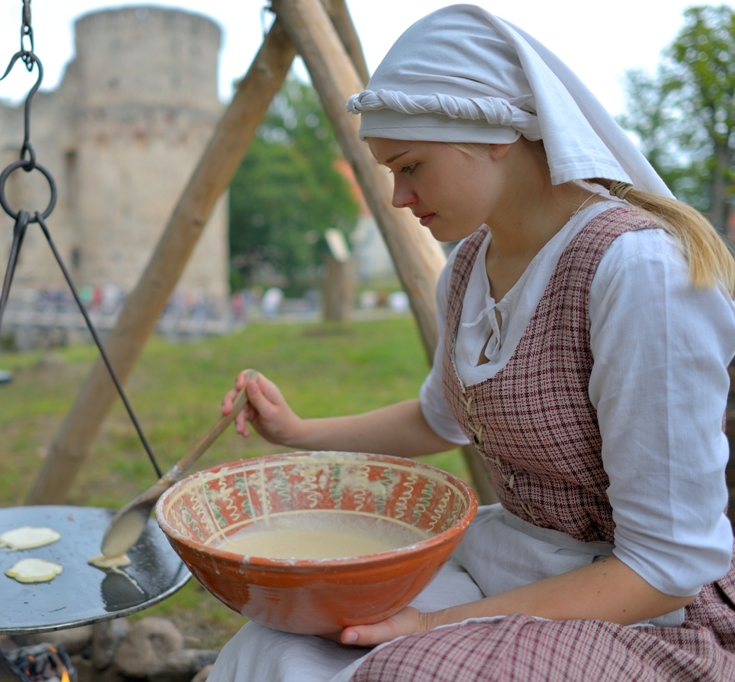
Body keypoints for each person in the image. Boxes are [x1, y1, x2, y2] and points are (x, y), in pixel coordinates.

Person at [208, 5, 735, 681]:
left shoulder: (638, 272)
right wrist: (297, 431)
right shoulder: (467, 268)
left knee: (399, 671)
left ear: (492, 135)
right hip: (508, 556)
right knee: (277, 641)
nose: (399, 196)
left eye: (411, 165)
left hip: (646, 614)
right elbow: (441, 417)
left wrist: (431, 626)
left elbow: (667, 568)